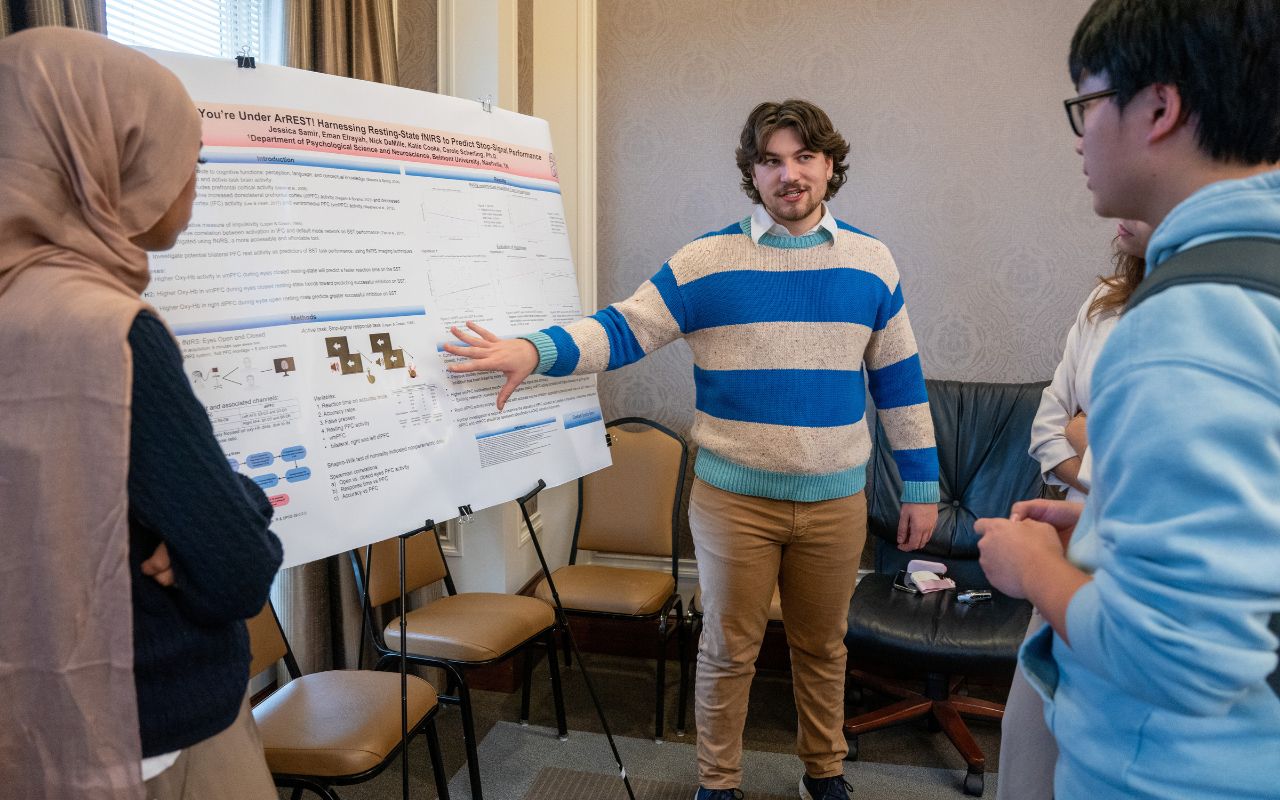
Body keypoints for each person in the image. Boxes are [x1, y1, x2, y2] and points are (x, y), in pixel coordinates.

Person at [444, 99, 939, 800]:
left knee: (824, 649)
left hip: (836, 500)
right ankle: (718, 784)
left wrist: (921, 485)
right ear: (752, 173)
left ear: (830, 165)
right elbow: (623, 329)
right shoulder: (708, 261)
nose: (788, 174)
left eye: (804, 157)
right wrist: (536, 348)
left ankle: (824, 774)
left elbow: (901, 381)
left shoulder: (872, 262)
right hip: (735, 499)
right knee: (728, 649)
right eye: (771, 160)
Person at [975, 1, 1280, 798]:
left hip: (1174, 773)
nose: (1080, 138)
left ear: (1159, 107)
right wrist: (1113, 523)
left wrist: (1038, 568)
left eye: (1088, 104)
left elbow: (1180, 656)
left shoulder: (1187, 317)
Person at [0, 28, 283, 800]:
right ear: (109, 162)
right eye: (183, 154)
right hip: (153, 731)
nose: (192, 178)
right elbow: (234, 571)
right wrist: (238, 509)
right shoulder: (112, 331)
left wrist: (215, 514)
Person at [997, 219, 1150, 800]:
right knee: (1027, 736)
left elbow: (1163, 473)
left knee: (1107, 751)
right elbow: (1047, 428)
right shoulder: (1102, 305)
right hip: (1076, 539)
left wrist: (1091, 439)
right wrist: (1095, 457)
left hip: (1134, 564)